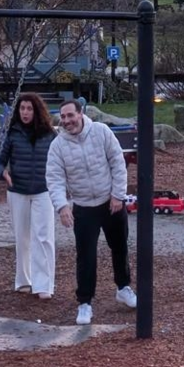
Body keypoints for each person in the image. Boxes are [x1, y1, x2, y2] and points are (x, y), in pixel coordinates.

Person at [45, 99, 137, 326]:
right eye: (63, 118)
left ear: (81, 113)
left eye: (70, 116)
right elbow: (55, 179)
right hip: (84, 207)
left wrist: (118, 194)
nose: (67, 121)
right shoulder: (58, 146)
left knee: (119, 246)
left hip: (110, 202)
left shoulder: (101, 132)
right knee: (85, 255)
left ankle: (123, 287)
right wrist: (62, 206)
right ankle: (85, 302)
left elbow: (117, 162)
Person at [0, 92, 57, 299]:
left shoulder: (49, 134)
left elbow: (60, 159)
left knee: (44, 237)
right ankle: (24, 280)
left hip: (43, 190)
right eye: (22, 109)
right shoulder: (11, 133)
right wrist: (2, 172)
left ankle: (44, 284)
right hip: (18, 190)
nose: (25, 113)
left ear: (36, 111)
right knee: (23, 237)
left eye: (29, 109)